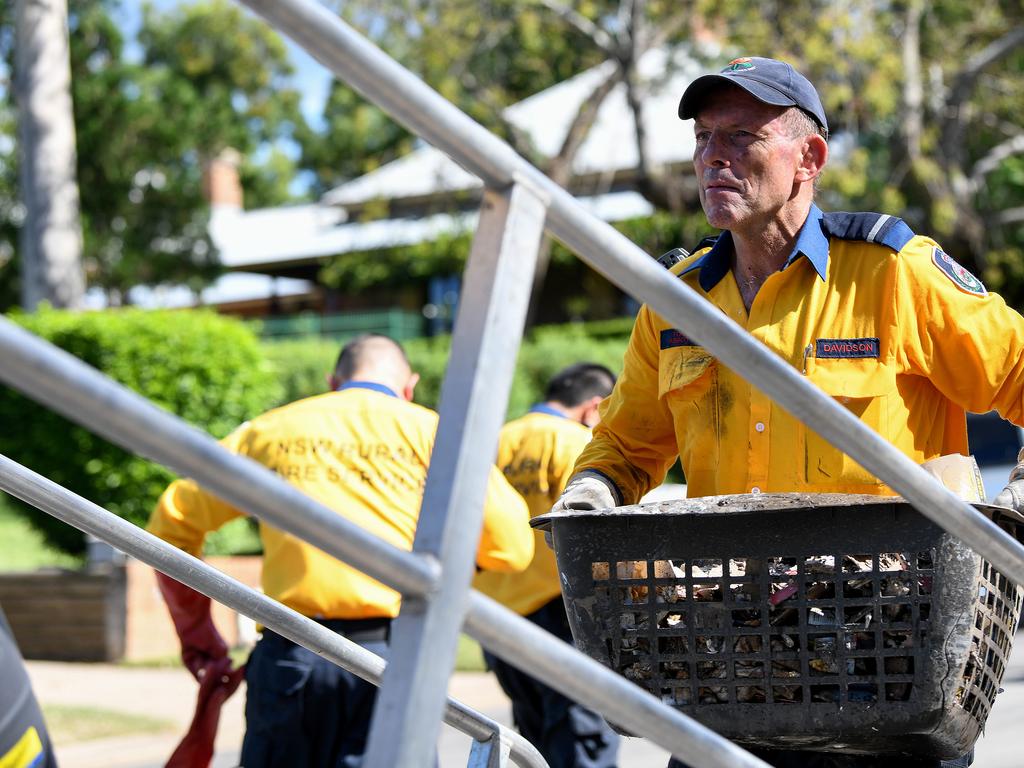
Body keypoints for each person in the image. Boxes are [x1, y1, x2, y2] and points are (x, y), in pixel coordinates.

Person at [554, 56, 1024, 768]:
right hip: (736, 668)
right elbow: (622, 445)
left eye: (741, 137)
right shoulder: (675, 303)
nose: (714, 156)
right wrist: (589, 495)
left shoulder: (894, 271)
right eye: (704, 137)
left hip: (887, 665)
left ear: (809, 158)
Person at [147, 333, 534, 768]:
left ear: (334, 381)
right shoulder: (436, 434)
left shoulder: (274, 429)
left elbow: (170, 523)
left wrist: (201, 636)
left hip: (292, 652)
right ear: (410, 387)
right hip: (395, 659)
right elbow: (513, 548)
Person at [474, 363, 620, 768]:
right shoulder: (579, 441)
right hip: (564, 613)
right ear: (594, 407)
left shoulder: (495, 442)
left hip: (497, 615)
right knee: (580, 736)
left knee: (533, 738)